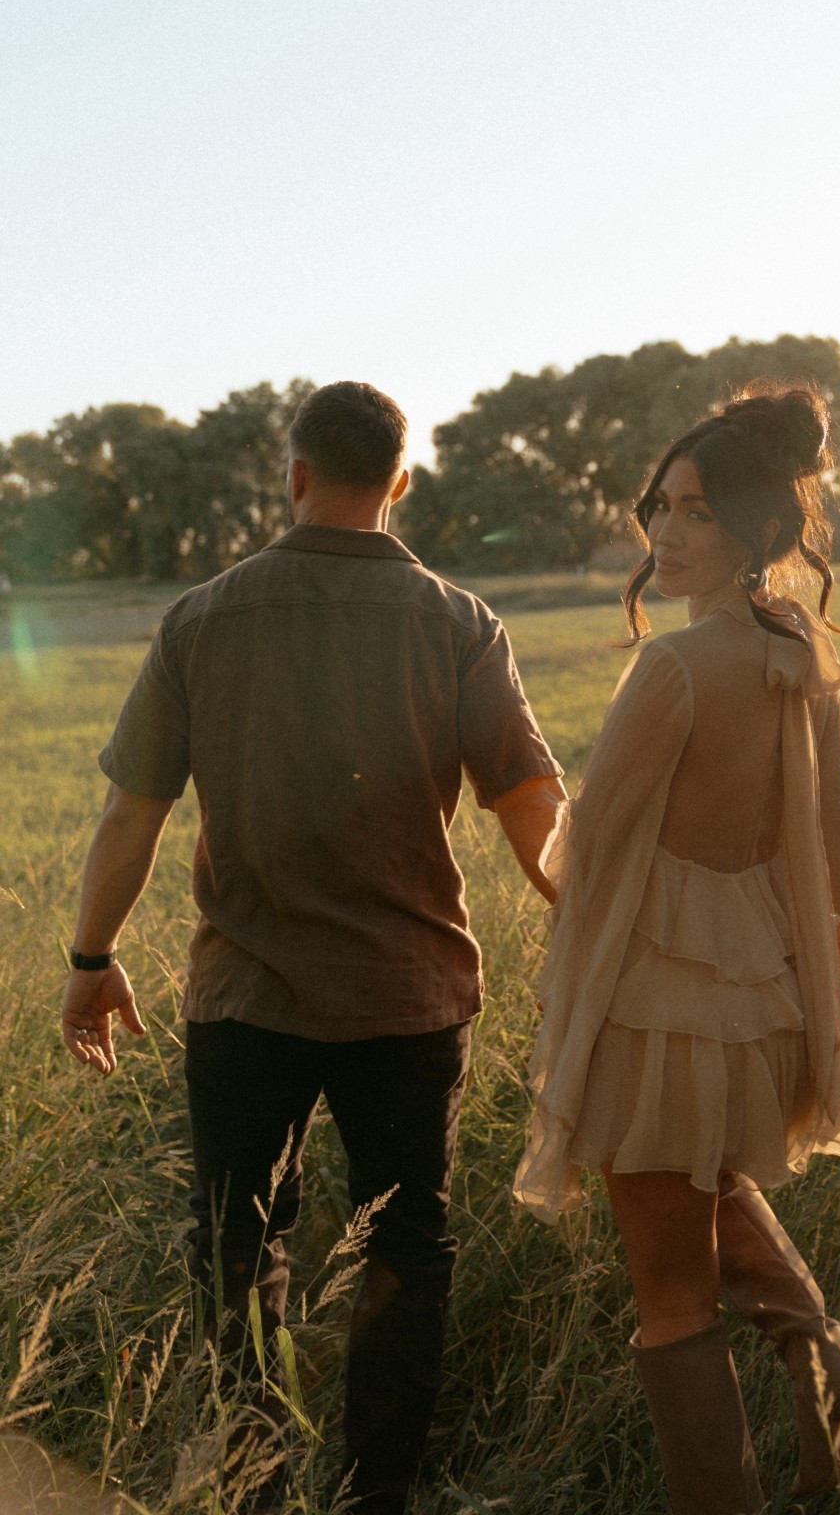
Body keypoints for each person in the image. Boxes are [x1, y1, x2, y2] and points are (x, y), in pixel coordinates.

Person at [59, 380, 565, 1515]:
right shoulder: (457, 619)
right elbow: (531, 805)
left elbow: (131, 812)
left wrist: (92, 960)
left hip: (246, 998)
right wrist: (593, 926)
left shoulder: (204, 615)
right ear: (400, 480)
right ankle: (377, 1492)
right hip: (413, 994)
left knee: (237, 1243)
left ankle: (256, 1480)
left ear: (292, 474)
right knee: (410, 1246)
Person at [515, 384, 840, 1514]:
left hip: (654, 1005)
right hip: (760, 1004)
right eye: (659, 508)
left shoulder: (673, 670)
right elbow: (839, 855)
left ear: (755, 529)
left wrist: (541, 826)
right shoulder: (802, 654)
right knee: (720, 1205)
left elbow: (581, 859)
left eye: (693, 511)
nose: (665, 534)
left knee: (673, 1295)